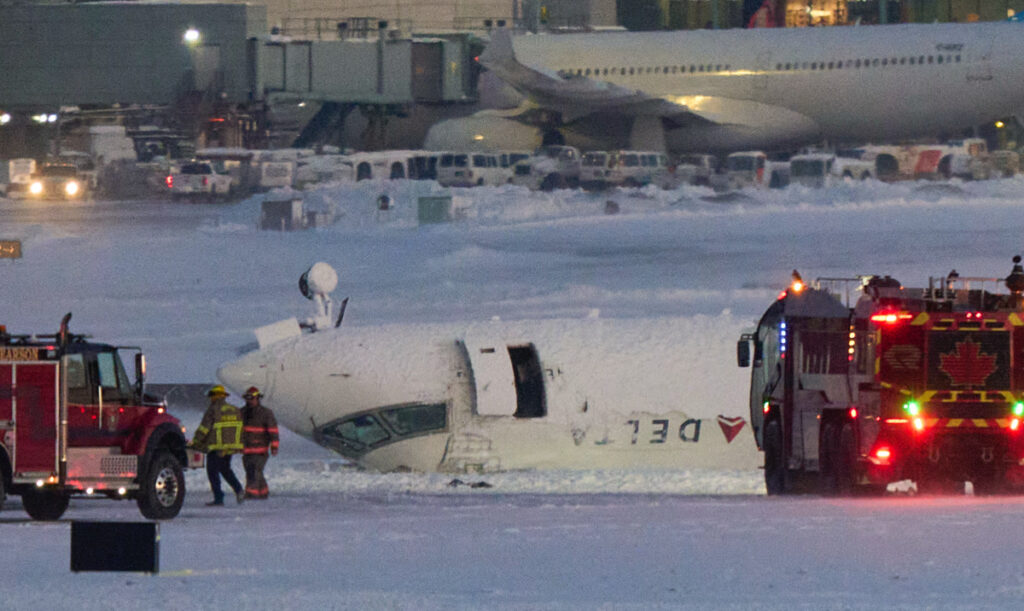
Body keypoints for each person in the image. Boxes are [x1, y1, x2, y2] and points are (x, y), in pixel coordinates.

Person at [190, 384, 245, 506]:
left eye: (212, 396)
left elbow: (204, 429)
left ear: (215, 396)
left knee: (213, 472)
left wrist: (196, 442)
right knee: (225, 470)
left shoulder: (213, 409)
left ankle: (219, 498)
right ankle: (239, 490)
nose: (211, 399)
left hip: (216, 447)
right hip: (230, 448)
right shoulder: (235, 410)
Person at [241, 386, 280, 499]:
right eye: (247, 398)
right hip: (246, 449)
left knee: (254, 471)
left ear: (257, 398)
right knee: (252, 471)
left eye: (252, 398)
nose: (249, 401)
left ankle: (251, 494)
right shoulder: (242, 412)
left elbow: (273, 431)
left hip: (260, 449)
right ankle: (263, 492)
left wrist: (274, 446)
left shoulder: (266, 413)